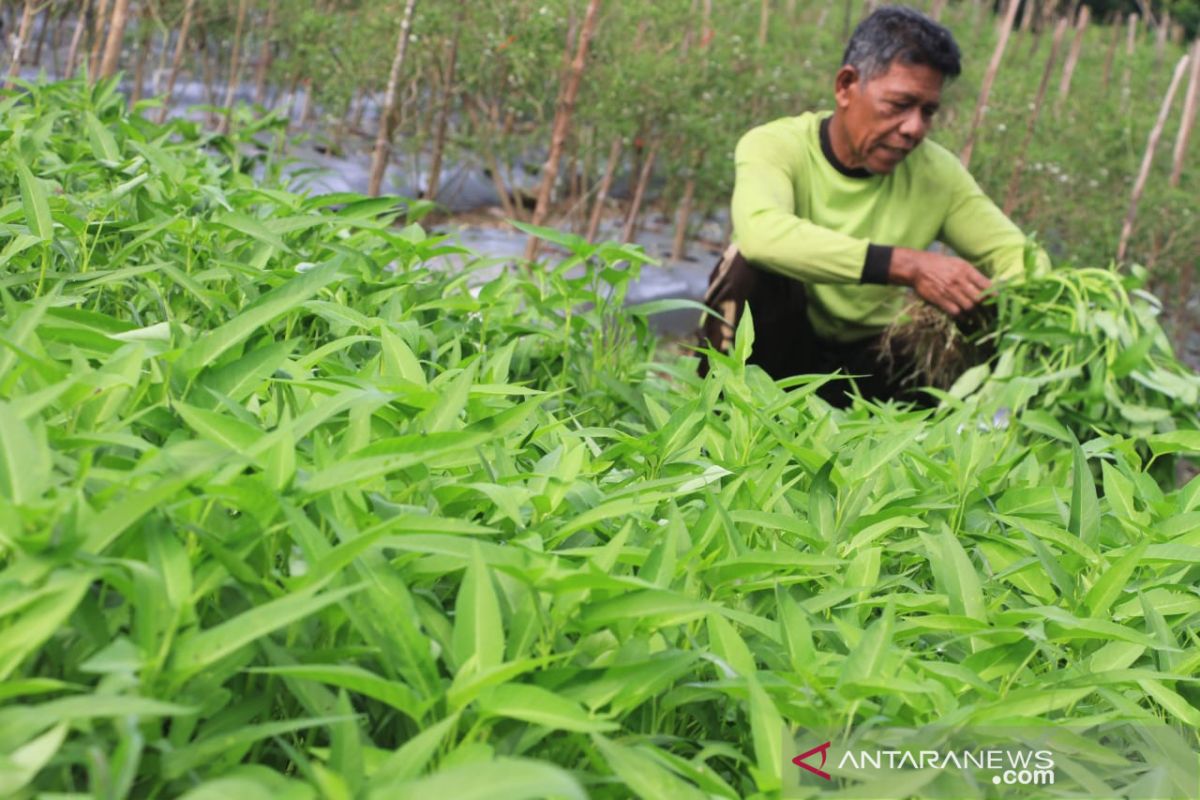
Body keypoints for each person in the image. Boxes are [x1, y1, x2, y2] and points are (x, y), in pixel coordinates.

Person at [699, 5, 1049, 406]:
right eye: (900, 105)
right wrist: (907, 265)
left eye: (928, 111)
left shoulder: (937, 175)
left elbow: (1020, 255)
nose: (914, 127)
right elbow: (761, 235)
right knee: (744, 267)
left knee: (981, 306)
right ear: (847, 86)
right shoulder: (778, 146)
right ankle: (716, 415)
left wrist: (993, 292)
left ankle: (950, 440)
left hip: (873, 360)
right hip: (781, 345)